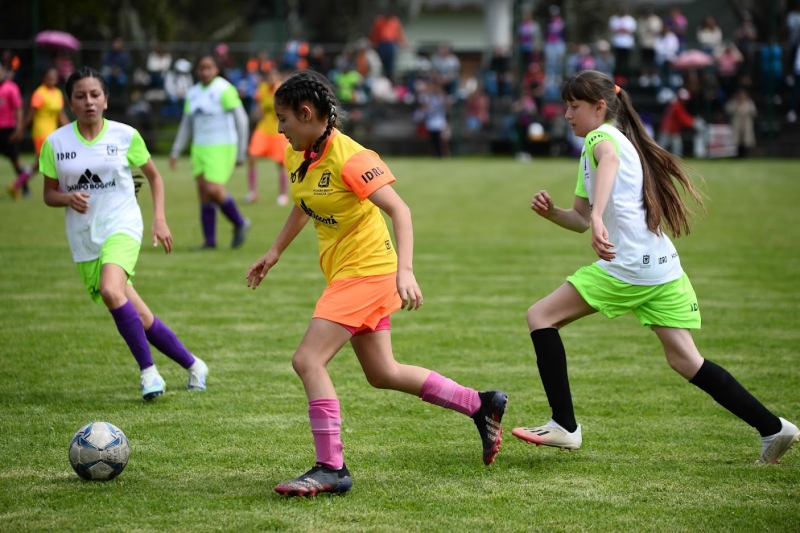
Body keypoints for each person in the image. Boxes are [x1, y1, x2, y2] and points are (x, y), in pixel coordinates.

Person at [511, 70, 799, 466]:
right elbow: (579, 219)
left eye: (573, 107)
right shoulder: (612, 143)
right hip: (662, 266)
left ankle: (565, 425)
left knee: (540, 316)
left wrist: (598, 219)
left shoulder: (602, 139)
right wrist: (555, 214)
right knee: (686, 360)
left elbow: (606, 167)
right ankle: (773, 427)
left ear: (599, 108)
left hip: (629, 265)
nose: (566, 114)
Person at [245, 69, 507, 497]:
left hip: (368, 273)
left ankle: (331, 467)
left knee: (307, 361)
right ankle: (481, 404)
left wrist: (405, 271)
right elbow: (305, 203)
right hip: (350, 274)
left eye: (284, 118)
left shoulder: (352, 157)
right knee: (383, 372)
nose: (279, 127)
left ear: (307, 113)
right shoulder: (299, 153)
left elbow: (400, 211)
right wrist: (274, 252)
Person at [39, 67, 208, 400]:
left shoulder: (125, 135)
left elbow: (155, 178)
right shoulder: (55, 143)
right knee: (140, 314)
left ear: (105, 99)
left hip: (123, 226)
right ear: (70, 102)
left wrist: (159, 219)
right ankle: (194, 365)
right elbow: (48, 194)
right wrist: (66, 198)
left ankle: (149, 375)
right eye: (80, 96)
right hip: (85, 238)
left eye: (95, 95)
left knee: (111, 290)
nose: (89, 101)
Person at [169, 54, 251, 250]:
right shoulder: (193, 92)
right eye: (202, 68)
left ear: (217, 69)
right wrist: (176, 150)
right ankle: (210, 241)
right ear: (197, 71)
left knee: (214, 189)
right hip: (199, 147)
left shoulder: (224, 89)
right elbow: (186, 124)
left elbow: (242, 120)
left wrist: (241, 151)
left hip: (222, 146)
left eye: (210, 67)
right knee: (204, 193)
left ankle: (240, 222)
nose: (205, 72)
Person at [8, 67, 69, 199]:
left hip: (53, 133)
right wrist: (20, 130)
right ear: (43, 78)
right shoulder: (39, 93)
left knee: (38, 164)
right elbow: (30, 116)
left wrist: (72, 129)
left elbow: (61, 115)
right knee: (54, 161)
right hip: (41, 133)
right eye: (49, 76)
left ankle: (16, 185)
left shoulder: (58, 93)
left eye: (54, 76)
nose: (52, 79)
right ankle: (61, 190)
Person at [244, 68, 289, 205]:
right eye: (269, 75)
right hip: (263, 128)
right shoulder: (262, 88)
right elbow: (258, 105)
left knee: (281, 163)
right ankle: (252, 192)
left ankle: (283, 195)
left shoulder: (281, 89)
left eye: (274, 75)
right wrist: (257, 114)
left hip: (277, 130)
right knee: (252, 156)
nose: (271, 78)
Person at [0, 63, 30, 197]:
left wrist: (19, 129)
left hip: (8, 130)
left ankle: (24, 188)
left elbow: (18, 108)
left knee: (16, 160)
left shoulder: (11, 88)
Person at [725, 88, 757, 158]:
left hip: (746, 124)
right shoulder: (734, 102)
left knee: (746, 141)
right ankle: (737, 155)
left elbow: (754, 112)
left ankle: (745, 156)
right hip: (737, 124)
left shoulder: (749, 102)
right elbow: (728, 109)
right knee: (737, 141)